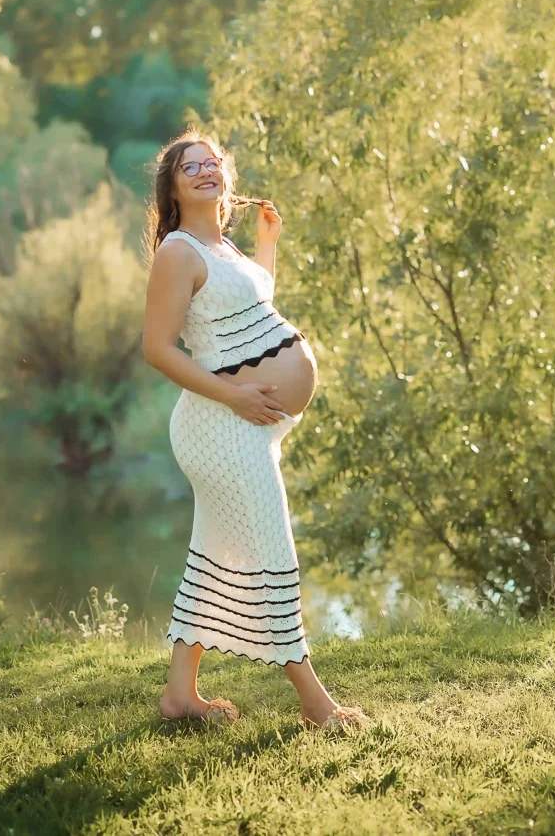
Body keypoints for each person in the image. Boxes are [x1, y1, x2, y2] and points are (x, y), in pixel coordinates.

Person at [140, 130, 367, 731]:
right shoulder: (179, 252)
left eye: (211, 161)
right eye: (189, 166)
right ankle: (316, 704)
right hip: (220, 426)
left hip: (248, 426)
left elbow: (252, 306)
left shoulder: (226, 251)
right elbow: (157, 349)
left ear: (226, 176)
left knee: (214, 552)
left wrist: (268, 245)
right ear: (172, 188)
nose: (204, 170)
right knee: (272, 551)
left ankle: (179, 695)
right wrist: (235, 395)